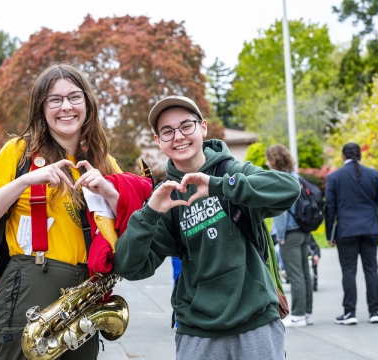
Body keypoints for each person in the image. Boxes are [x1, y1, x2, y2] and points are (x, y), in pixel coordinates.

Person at [0, 63, 141, 360]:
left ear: (88, 103)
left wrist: (111, 192)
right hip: (28, 289)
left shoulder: (104, 162)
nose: (66, 107)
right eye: (54, 100)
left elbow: (132, 232)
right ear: (41, 109)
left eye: (74, 97)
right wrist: (25, 181)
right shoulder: (18, 151)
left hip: (83, 295)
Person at [113, 96, 300, 360]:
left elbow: (289, 189)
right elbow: (130, 267)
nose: (178, 136)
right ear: (158, 141)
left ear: (203, 127)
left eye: (186, 126)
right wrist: (149, 213)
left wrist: (219, 185)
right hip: (197, 332)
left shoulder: (230, 171)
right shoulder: (166, 197)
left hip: (256, 322)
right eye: (167, 131)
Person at [325, 142, 378, 325]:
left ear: (343, 156)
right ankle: (374, 311)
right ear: (360, 156)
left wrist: (330, 233)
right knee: (371, 270)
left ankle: (350, 312)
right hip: (370, 230)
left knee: (348, 271)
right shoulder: (373, 175)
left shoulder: (335, 177)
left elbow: (330, 207)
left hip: (346, 231)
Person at [265, 144, 313, 328]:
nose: (267, 163)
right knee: (305, 273)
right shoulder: (296, 177)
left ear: (274, 159)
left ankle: (299, 314)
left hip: (289, 233)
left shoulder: (280, 179)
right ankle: (307, 313)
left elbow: (282, 211)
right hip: (303, 231)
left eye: (269, 159)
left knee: (295, 274)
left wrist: (281, 235)